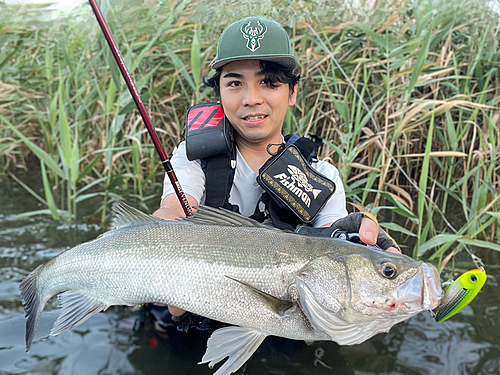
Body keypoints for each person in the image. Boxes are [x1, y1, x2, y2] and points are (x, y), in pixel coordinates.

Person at [151, 15, 400, 328]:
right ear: (220, 94)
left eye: (269, 82)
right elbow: (171, 209)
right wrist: (160, 244)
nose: (251, 99)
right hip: (196, 313)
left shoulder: (320, 175)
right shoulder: (194, 157)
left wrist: (355, 238)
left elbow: (333, 239)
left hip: (287, 321)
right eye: (234, 83)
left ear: (292, 93)